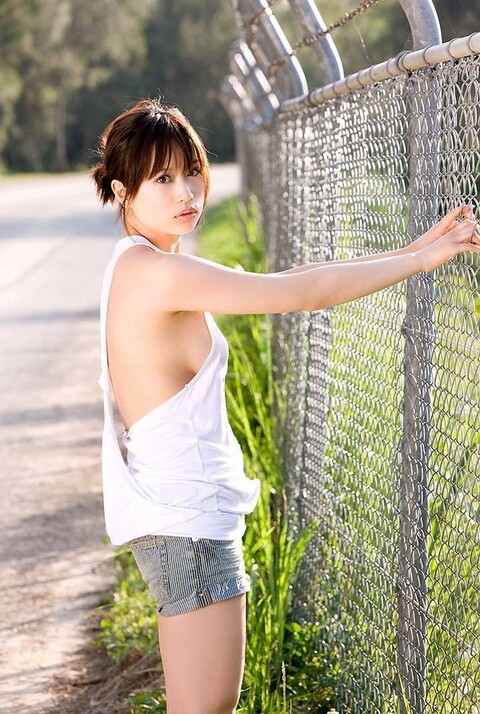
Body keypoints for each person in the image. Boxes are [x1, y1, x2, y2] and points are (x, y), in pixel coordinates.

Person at [92, 96, 480, 714]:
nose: (186, 192)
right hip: (188, 521)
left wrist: (412, 251)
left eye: (191, 172)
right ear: (122, 192)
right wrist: (422, 261)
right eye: (161, 179)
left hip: (183, 516)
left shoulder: (141, 264)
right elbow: (301, 294)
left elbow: (299, 277)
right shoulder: (156, 274)